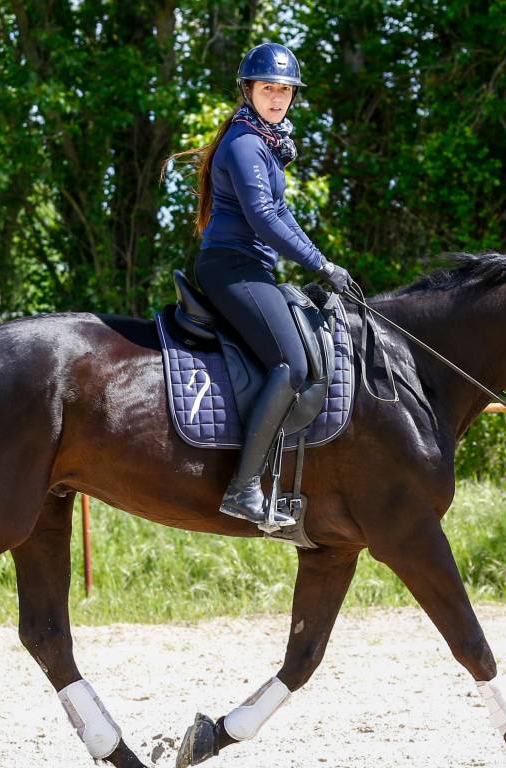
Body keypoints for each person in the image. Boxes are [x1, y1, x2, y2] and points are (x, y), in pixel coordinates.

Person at [166, 42, 353, 528]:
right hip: (232, 267)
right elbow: (265, 218)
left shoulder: (266, 142)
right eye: (268, 88)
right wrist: (319, 265)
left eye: (285, 90)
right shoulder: (246, 143)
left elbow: (282, 214)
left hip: (253, 268)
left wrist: (325, 262)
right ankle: (244, 488)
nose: (277, 97)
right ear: (248, 91)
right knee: (290, 364)